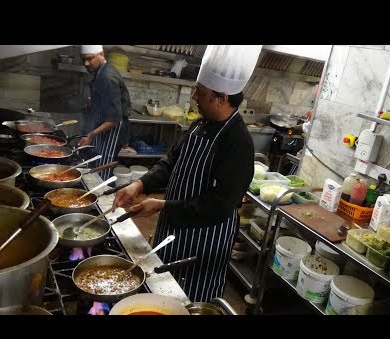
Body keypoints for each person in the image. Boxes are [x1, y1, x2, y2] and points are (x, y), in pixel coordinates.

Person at [113, 45, 262, 303]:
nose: (194, 96)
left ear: (222, 98)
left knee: (189, 302)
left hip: (203, 241)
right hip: (174, 225)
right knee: (160, 289)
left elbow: (219, 205)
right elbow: (172, 162)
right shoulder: (201, 123)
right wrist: (140, 184)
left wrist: (162, 205)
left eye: (200, 93)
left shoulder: (237, 141)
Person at [78, 45, 132, 180]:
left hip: (112, 130)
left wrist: (91, 134)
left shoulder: (107, 77)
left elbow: (113, 120)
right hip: (104, 128)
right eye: (83, 59)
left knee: (103, 167)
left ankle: (101, 195)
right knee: (96, 161)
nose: (86, 63)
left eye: (90, 58)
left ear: (101, 54)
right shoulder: (100, 72)